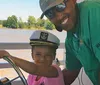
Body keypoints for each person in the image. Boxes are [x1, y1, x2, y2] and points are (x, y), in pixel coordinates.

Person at [39, 0, 100, 85]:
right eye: (50, 14)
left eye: (60, 6)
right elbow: (71, 72)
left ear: (73, 1)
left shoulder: (95, 12)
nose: (59, 17)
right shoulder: (71, 40)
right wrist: (47, 82)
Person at [0, 30, 65, 85]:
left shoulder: (55, 71)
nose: (42, 59)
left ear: (54, 56)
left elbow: (35, 69)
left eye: (48, 55)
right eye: (38, 54)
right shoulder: (32, 76)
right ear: (32, 55)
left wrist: (10, 57)